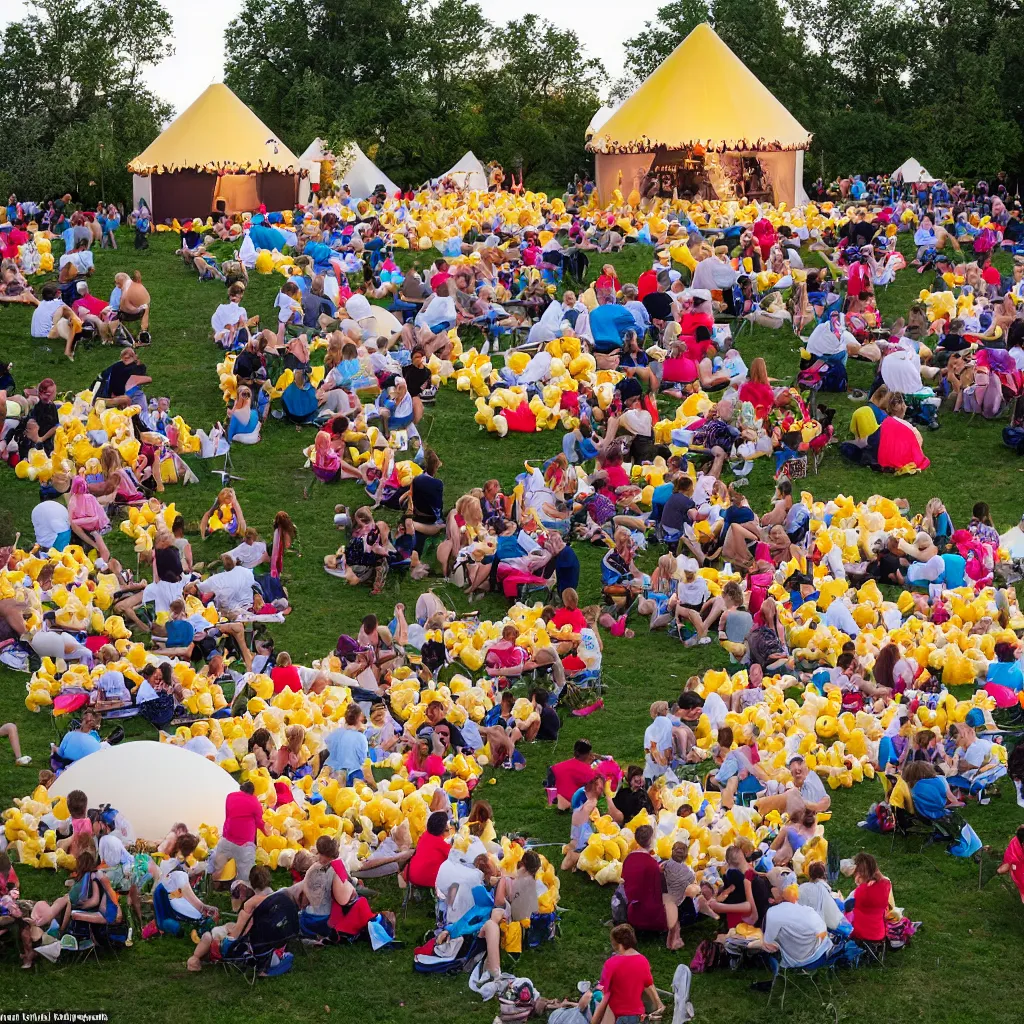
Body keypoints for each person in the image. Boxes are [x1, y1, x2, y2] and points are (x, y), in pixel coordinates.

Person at [621, 824, 683, 949]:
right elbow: (657, 890)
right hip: (650, 916)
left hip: (632, 912)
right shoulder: (651, 863)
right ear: (651, 840)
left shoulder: (629, 858)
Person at [591, 924, 664, 1024]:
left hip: (617, 1015)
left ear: (618, 943)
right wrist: (659, 1003)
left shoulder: (611, 963)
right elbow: (648, 985)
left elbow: (605, 995)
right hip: (638, 1016)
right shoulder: (643, 961)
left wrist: (594, 1021)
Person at [208, 780, 266, 893]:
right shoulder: (255, 802)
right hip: (245, 845)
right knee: (245, 875)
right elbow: (259, 822)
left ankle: (213, 889)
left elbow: (228, 814)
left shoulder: (230, 797)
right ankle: (239, 896)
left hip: (227, 839)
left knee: (218, 865)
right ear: (252, 792)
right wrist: (267, 831)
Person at [761, 884, 833, 970]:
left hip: (792, 961)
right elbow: (822, 932)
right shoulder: (809, 912)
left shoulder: (772, 912)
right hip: (816, 957)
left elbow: (768, 941)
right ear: (797, 898)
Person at [847, 852, 891, 943]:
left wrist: (859, 885)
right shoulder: (886, 884)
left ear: (858, 873)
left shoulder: (858, 892)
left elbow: (846, 908)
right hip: (879, 933)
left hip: (861, 934)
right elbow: (882, 879)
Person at [323, 703, 372, 784]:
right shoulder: (360, 737)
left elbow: (327, 745)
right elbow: (363, 760)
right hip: (350, 775)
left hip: (331, 773)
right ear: (359, 718)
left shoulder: (336, 732)